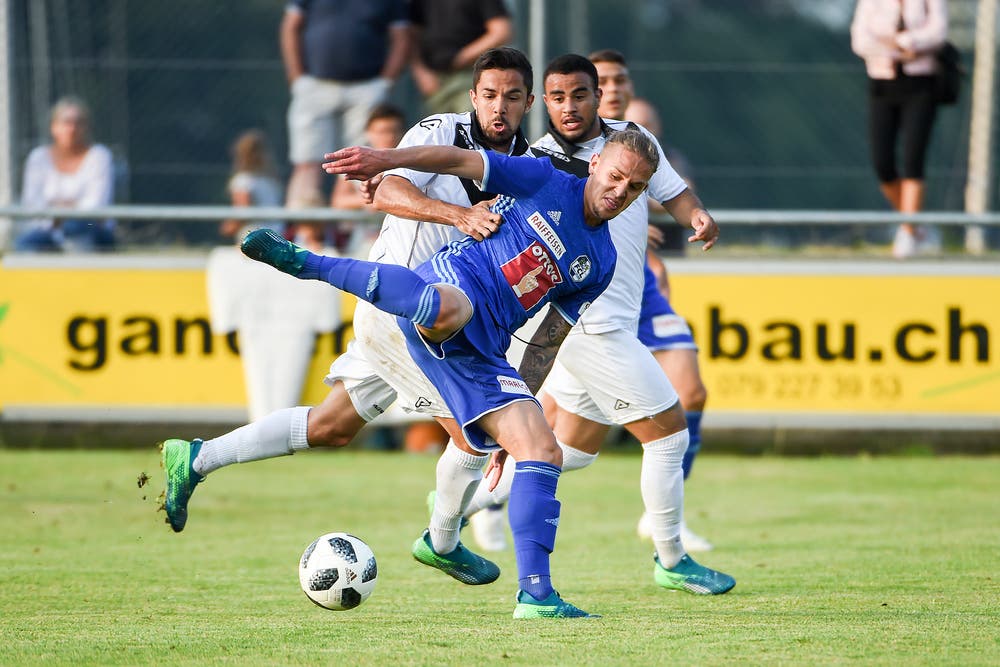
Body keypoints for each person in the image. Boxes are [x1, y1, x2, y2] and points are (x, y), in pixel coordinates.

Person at [238, 126, 661, 619]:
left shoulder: (601, 261)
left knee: (541, 448)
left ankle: (535, 595)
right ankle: (304, 262)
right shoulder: (543, 179)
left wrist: (521, 405)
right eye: (615, 177)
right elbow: (456, 159)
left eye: (634, 188)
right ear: (595, 166)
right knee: (448, 309)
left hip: (485, 351)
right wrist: (384, 158)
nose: (619, 192)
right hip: (450, 287)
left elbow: (547, 340)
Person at [159, 46, 531, 598]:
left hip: (444, 321)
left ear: (527, 103)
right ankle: (444, 541)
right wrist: (457, 213)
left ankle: (197, 457)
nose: (500, 106)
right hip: (399, 308)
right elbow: (385, 187)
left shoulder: (529, 163)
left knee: (331, 426)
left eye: (513, 96)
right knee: (477, 431)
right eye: (490, 94)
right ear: (473, 96)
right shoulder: (440, 131)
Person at [459, 54, 733, 592]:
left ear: (597, 95)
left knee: (568, 453)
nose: (569, 107)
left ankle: (459, 503)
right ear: (544, 102)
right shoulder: (535, 158)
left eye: (580, 95)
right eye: (557, 98)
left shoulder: (629, 142)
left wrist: (695, 215)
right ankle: (672, 561)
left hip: (614, 319)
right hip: (588, 323)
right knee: (669, 436)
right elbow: (492, 207)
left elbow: (671, 189)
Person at [590, 48, 716, 552]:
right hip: (590, 303)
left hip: (642, 290)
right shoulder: (565, 147)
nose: (615, 88)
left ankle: (666, 526)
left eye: (621, 79)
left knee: (690, 397)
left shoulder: (640, 138)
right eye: (603, 81)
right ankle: (480, 503)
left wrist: (693, 217)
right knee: (563, 445)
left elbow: (672, 194)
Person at [280, 0, 411, 205]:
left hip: (366, 87)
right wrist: (297, 77)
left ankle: (357, 232)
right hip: (314, 86)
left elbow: (402, 37)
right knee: (307, 163)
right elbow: (291, 26)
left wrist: (385, 82)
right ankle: (299, 233)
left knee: (361, 160)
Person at [850, 0, 948, 259]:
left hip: (921, 85)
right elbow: (860, 40)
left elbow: (938, 32)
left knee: (913, 158)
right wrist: (897, 49)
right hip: (882, 84)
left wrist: (903, 41)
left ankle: (907, 233)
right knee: (883, 164)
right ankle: (916, 226)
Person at [15, 96, 115, 252]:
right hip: (48, 229)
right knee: (25, 244)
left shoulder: (99, 155)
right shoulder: (38, 157)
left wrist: (56, 209)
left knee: (75, 227)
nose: (72, 128)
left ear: (87, 127)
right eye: (66, 122)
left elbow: (95, 206)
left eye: (78, 123)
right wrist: (65, 211)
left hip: (90, 227)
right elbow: (32, 205)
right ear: (54, 126)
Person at [409, 0, 513, 115]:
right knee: (437, 130)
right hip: (434, 79)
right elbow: (412, 36)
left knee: (469, 125)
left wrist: (463, 57)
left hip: (470, 74)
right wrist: (421, 72)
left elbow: (501, 32)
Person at [220, 129, 284, 241]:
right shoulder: (271, 180)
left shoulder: (243, 181)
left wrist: (228, 228)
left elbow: (243, 212)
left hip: (255, 235)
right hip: (279, 232)